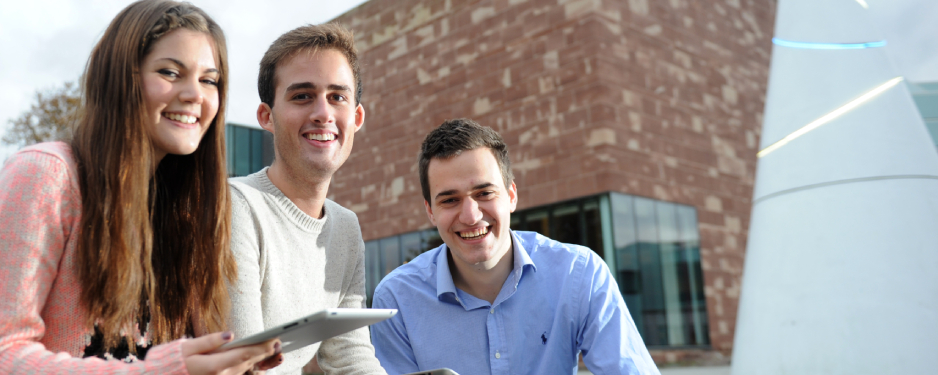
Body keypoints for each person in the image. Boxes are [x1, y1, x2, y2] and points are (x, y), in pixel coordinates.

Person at [0, 1, 278, 374]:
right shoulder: (43, 177)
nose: (195, 94)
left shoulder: (188, 210)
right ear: (121, 78)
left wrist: (231, 362)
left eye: (209, 80)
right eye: (171, 72)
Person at [370, 119, 660, 374]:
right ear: (430, 211)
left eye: (484, 193)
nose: (471, 215)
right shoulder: (396, 301)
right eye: (449, 200)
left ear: (511, 196)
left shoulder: (578, 274)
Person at [227, 23, 384, 374]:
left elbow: (350, 356)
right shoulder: (236, 206)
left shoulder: (345, 228)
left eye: (337, 97)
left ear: (356, 117)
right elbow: (246, 364)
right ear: (267, 116)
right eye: (302, 96)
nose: (323, 113)